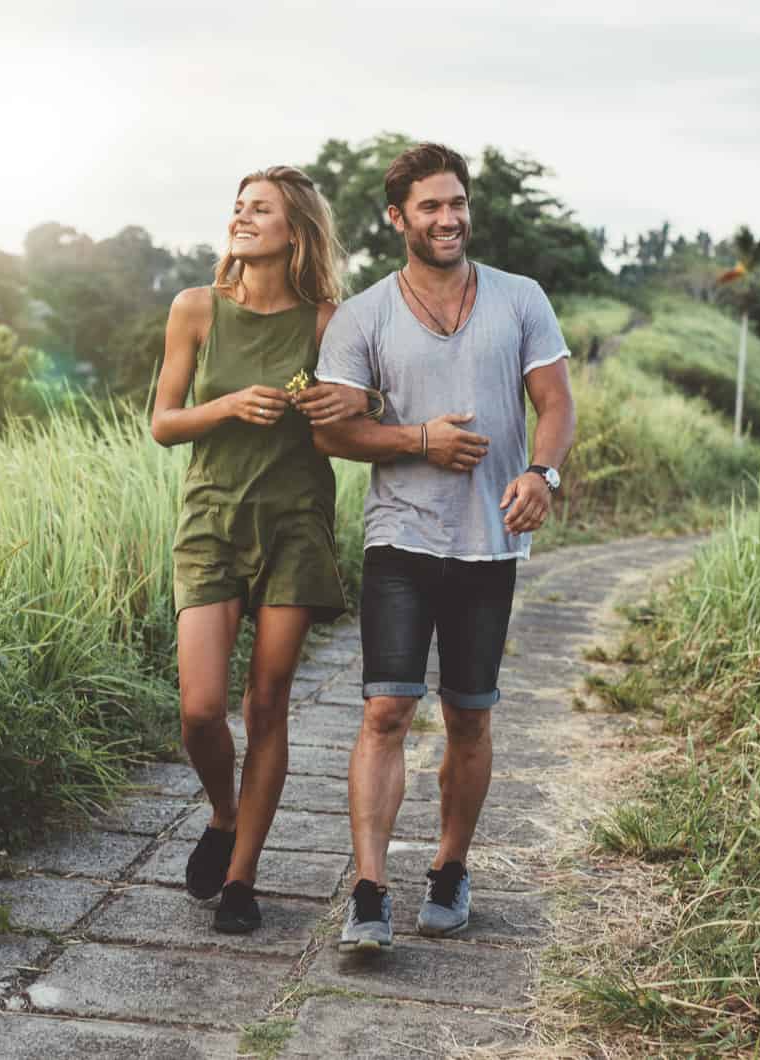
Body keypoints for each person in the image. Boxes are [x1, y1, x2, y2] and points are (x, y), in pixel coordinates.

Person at [311, 143, 576, 951]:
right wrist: (420, 440)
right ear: (397, 218)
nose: (448, 217)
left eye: (456, 202)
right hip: (402, 536)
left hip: (490, 542)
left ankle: (451, 868)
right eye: (429, 206)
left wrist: (543, 474)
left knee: (468, 716)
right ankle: (368, 890)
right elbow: (335, 431)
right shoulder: (364, 315)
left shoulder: (519, 298)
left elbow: (555, 402)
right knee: (387, 708)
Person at [150, 166, 368, 934]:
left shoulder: (327, 323)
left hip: (295, 524)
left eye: (260, 210)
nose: (242, 218)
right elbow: (164, 422)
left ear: (294, 231)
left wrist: (349, 400)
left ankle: (241, 879)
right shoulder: (196, 309)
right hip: (210, 520)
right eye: (238, 207)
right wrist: (229, 405)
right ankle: (221, 812)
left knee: (267, 704)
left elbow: (357, 414)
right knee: (201, 709)